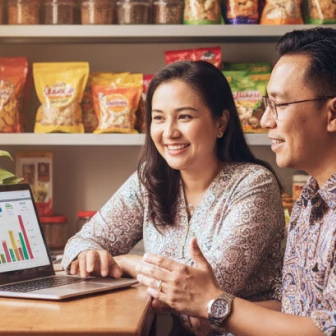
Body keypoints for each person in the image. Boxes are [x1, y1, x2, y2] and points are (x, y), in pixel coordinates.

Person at [135, 27, 336, 336]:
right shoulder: (312, 200)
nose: (265, 120)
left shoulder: (255, 183)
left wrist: (214, 304)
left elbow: (324, 332)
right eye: (158, 117)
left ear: (332, 113)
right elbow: (299, 309)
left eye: (279, 105)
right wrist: (215, 310)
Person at [62, 60, 285, 335]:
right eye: (158, 118)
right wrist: (88, 254)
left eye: (185, 117)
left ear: (221, 122)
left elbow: (199, 289)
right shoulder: (151, 178)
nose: (169, 132)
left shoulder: (254, 185)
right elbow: (81, 243)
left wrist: (125, 261)